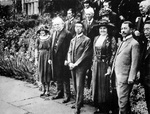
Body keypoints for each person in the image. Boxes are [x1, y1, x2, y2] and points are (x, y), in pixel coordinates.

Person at [111, 21, 140, 114]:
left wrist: (131, 77)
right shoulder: (123, 41)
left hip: (125, 77)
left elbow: (134, 62)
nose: (123, 30)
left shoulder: (134, 43)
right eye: (122, 28)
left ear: (131, 30)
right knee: (121, 100)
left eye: (125, 28)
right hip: (117, 76)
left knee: (123, 102)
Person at [92, 19, 117, 114]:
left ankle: (105, 108)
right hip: (96, 64)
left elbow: (113, 53)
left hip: (105, 64)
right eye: (101, 28)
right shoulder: (96, 38)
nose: (102, 30)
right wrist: (92, 63)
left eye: (104, 28)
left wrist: (110, 66)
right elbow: (94, 52)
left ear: (107, 29)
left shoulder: (111, 39)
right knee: (96, 84)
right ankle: (98, 106)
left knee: (104, 86)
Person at [67, 21, 92, 114]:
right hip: (72, 66)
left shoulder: (87, 40)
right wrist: (69, 62)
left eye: (80, 27)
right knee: (74, 84)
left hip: (80, 66)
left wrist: (76, 64)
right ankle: (79, 102)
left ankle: (78, 107)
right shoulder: (72, 40)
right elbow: (69, 51)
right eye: (76, 27)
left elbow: (85, 54)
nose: (77, 28)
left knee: (79, 85)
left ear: (83, 29)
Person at [50, 17, 72, 103]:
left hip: (63, 59)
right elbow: (51, 47)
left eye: (58, 24)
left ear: (62, 24)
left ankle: (67, 95)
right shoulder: (54, 33)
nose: (56, 26)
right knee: (58, 76)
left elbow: (70, 48)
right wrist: (50, 58)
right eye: (55, 25)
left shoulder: (67, 33)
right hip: (55, 59)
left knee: (65, 77)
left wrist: (67, 59)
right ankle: (59, 92)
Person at [35, 24, 52, 97]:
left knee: (47, 72)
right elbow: (36, 49)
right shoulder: (38, 39)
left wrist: (50, 58)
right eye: (41, 31)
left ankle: (48, 90)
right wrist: (36, 59)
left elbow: (51, 49)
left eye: (43, 31)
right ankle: (43, 89)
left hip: (47, 56)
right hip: (41, 56)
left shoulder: (49, 38)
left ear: (46, 31)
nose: (42, 32)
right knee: (41, 72)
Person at [140, 20, 150, 114]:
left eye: (148, 29)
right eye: (144, 29)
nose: (146, 32)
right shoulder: (145, 43)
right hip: (146, 80)